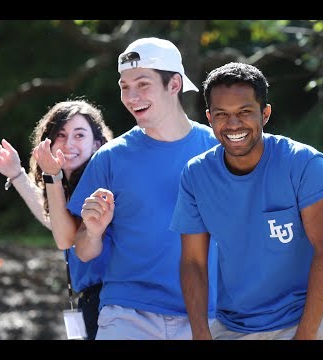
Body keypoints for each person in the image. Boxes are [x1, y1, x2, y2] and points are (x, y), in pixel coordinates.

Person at [169, 62, 323, 340]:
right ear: (209, 118)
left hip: (301, 316)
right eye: (222, 114)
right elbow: (193, 262)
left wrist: (305, 335)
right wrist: (200, 333)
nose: (233, 123)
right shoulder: (195, 174)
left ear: (265, 114)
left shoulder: (303, 164)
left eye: (245, 112)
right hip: (234, 324)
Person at [59, 37, 220, 340]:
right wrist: (92, 231)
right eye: (124, 86)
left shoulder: (217, 150)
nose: (131, 96)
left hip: (207, 317)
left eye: (142, 84)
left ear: (174, 84)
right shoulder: (109, 159)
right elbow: (82, 250)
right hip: (127, 314)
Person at [0, 99, 114, 340]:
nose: (68, 144)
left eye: (79, 135)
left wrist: (49, 176)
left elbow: (66, 237)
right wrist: (16, 173)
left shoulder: (101, 182)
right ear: (48, 141)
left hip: (113, 302)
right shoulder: (65, 186)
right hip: (92, 302)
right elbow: (56, 223)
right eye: (61, 135)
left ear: (97, 143)